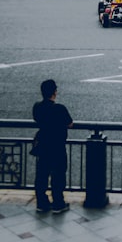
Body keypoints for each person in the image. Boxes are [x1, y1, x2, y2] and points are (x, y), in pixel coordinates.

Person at [32, 79, 73, 214]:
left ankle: (42, 202)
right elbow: (69, 123)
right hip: (57, 145)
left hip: (43, 145)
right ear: (54, 92)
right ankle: (58, 203)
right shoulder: (59, 108)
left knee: (42, 175)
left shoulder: (37, 107)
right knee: (58, 174)